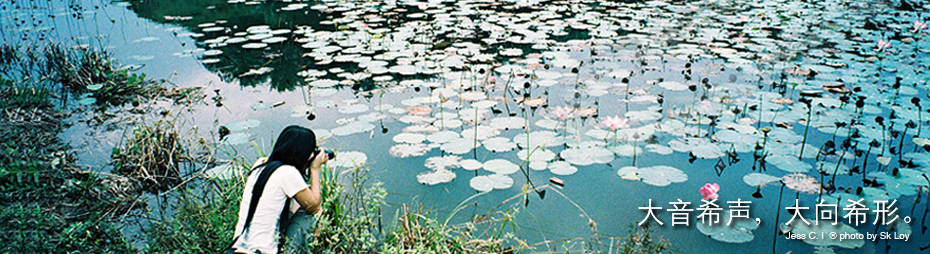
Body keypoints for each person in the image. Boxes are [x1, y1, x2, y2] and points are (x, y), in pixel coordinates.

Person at [230, 125, 328, 254]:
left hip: (238, 247)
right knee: (313, 212)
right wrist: (314, 169)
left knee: (294, 204)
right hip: (265, 252)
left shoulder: (260, 164)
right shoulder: (288, 173)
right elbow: (314, 206)